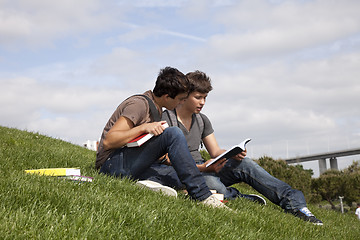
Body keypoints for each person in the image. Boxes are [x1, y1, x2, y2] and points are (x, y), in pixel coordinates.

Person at [146, 70, 323, 225]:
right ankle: (236, 196)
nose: (202, 102)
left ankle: (295, 204)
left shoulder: (202, 120)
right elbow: (164, 158)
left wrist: (232, 153)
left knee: (245, 164)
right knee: (213, 183)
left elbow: (215, 151)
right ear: (184, 97)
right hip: (184, 171)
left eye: (205, 98)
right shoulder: (167, 117)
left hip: (204, 166)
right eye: (198, 97)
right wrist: (202, 167)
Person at [95, 67, 227, 209]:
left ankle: (152, 184)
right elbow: (109, 141)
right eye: (180, 99)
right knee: (174, 133)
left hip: (132, 163)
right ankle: (203, 197)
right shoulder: (139, 104)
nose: (181, 103)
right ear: (166, 96)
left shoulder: (157, 110)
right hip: (110, 165)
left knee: (177, 175)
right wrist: (143, 127)